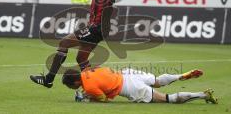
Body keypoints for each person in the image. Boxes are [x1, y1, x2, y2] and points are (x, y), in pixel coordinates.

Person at [30, 0, 130, 88]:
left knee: (64, 43)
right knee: (81, 59)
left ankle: (48, 79)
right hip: (98, 28)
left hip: (97, 28)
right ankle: (93, 85)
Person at [62, 67, 218, 104]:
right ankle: (181, 75)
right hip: (128, 73)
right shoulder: (88, 71)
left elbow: (103, 99)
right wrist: (88, 92)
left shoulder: (88, 87)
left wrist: (87, 98)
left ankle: (203, 95)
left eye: (70, 86)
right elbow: (99, 80)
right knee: (157, 80)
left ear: (75, 82)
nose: (71, 88)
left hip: (129, 88)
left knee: (167, 99)